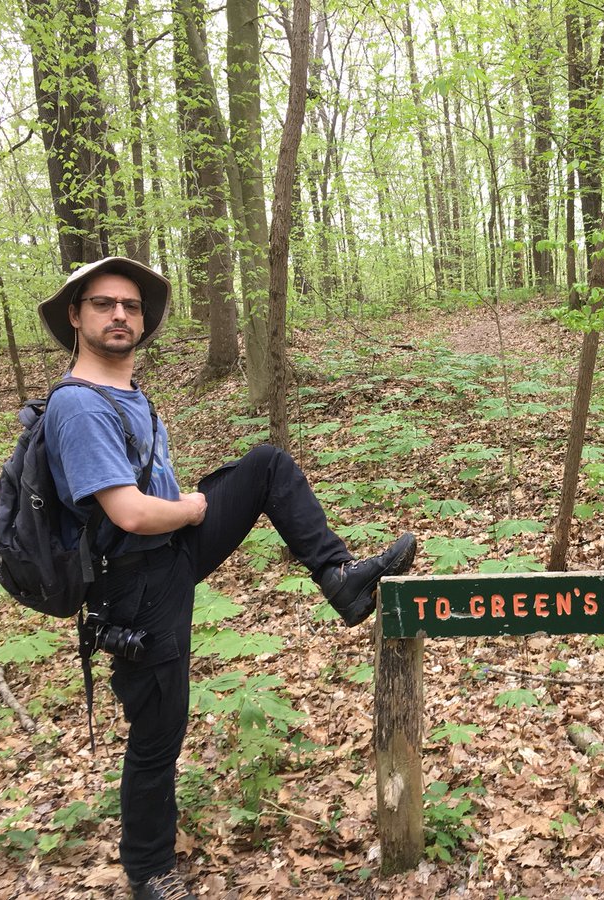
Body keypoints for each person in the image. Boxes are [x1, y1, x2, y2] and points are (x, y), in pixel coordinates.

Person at [37, 257, 416, 900]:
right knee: (158, 734)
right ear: (75, 316)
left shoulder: (125, 396)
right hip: (132, 586)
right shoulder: (77, 406)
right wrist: (187, 508)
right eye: (103, 304)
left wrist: (181, 509)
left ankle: (339, 577)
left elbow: (139, 496)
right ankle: (150, 869)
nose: (120, 315)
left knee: (267, 466)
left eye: (130, 305)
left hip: (166, 557)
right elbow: (127, 511)